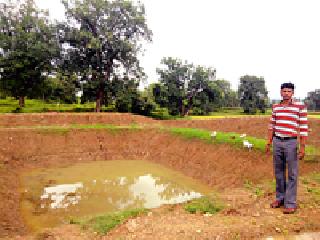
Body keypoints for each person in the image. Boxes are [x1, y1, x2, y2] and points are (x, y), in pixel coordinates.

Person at [265, 82, 308, 214]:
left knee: (292, 174)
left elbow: (304, 128)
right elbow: (272, 125)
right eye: (284, 91)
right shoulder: (276, 107)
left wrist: (302, 148)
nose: (286, 93)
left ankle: (290, 203)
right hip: (277, 141)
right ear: (280, 92)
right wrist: (269, 142)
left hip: (291, 142)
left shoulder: (300, 106)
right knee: (278, 172)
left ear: (292, 93)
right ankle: (280, 198)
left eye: (288, 91)